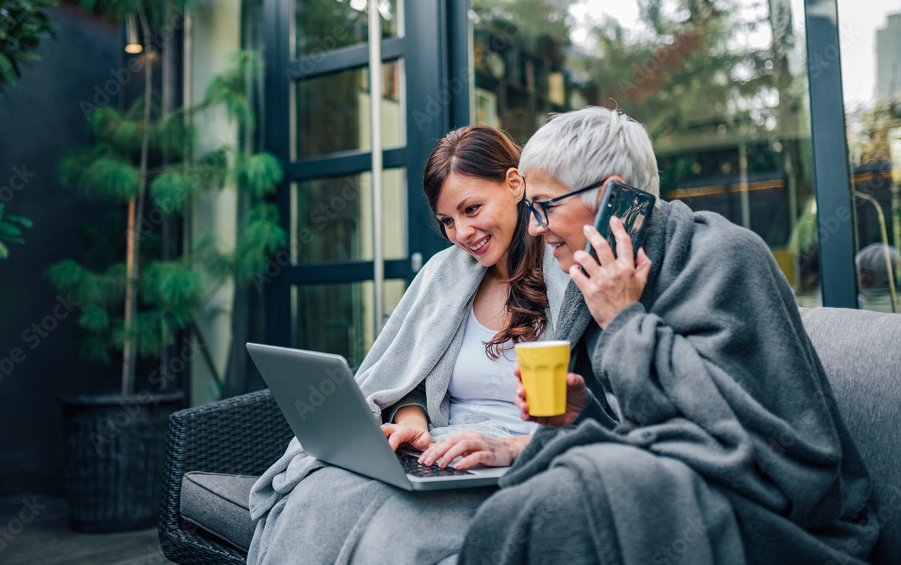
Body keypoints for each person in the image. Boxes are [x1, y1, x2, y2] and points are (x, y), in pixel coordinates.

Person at [459, 107, 879, 564]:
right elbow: (647, 431)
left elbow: (743, 447)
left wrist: (624, 322)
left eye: (546, 205)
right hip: (674, 478)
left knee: (556, 507)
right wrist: (582, 417)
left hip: (780, 516)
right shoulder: (598, 283)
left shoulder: (726, 258)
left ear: (612, 196)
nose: (535, 226)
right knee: (525, 506)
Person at [248, 125, 570, 565]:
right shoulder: (446, 276)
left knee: (386, 536)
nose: (462, 233)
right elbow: (410, 378)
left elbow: (599, 405)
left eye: (472, 208)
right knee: (317, 493)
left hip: (518, 460)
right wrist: (413, 421)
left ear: (515, 184)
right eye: (447, 221)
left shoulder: (569, 269)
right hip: (444, 449)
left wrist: (512, 447)